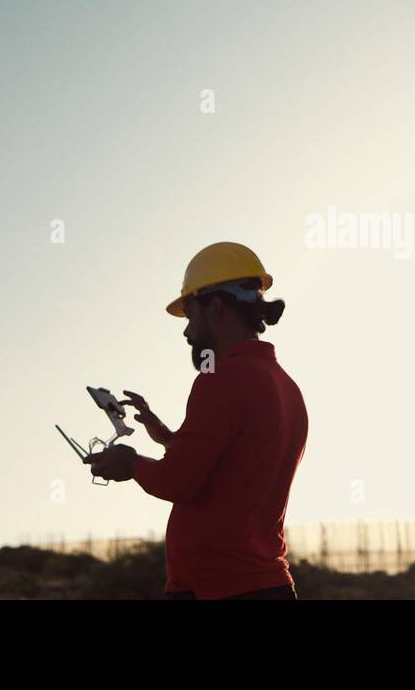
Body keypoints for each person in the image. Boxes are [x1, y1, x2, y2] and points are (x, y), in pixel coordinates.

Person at [86, 242, 309, 599]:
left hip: (217, 588)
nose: (187, 332)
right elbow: (228, 463)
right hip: (267, 585)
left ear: (216, 307)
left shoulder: (220, 378)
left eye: (190, 315)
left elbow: (176, 481)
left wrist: (128, 463)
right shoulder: (285, 385)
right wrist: (166, 437)